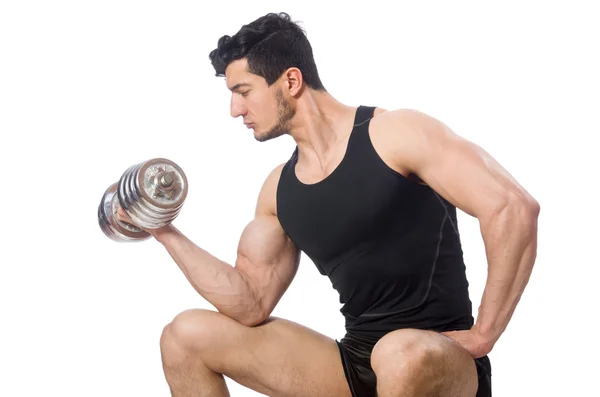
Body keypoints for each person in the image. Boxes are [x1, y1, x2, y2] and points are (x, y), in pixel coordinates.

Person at [118, 11, 540, 397]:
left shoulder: (395, 134)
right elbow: (249, 302)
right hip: (355, 362)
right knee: (184, 335)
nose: (234, 109)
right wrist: (163, 230)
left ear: (291, 81)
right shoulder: (278, 191)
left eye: (243, 91)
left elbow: (512, 207)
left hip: (439, 359)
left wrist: (485, 333)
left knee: (399, 353)